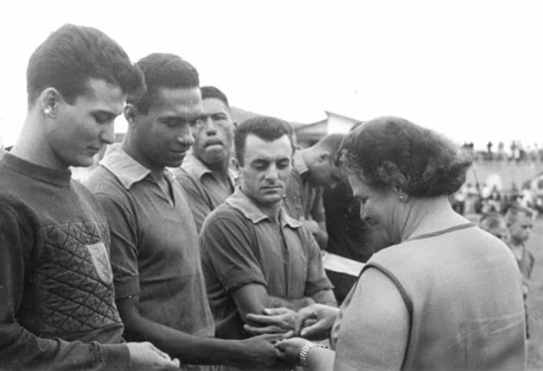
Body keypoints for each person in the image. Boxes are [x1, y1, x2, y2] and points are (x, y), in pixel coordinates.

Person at [256, 116, 526, 370]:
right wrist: (346, 320)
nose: (363, 214)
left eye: (365, 199)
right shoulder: (498, 251)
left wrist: (306, 351)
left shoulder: (391, 270)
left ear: (398, 184)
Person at [0, 24, 180, 370]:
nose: (111, 136)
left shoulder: (85, 195)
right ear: (51, 102)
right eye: (101, 117)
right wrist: (121, 358)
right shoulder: (7, 203)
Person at [85, 53, 282, 370]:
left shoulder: (168, 177)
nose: (188, 137)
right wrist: (234, 352)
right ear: (132, 115)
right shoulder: (110, 195)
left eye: (195, 121)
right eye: (173, 122)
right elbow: (128, 322)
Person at [199, 116, 337, 369]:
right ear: (237, 165)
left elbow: (329, 306)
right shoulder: (227, 221)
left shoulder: (299, 229)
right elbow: (258, 312)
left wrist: (310, 311)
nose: (273, 175)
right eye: (261, 165)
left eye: (282, 164)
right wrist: (308, 306)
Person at [172, 86, 237, 231]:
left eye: (219, 118)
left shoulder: (236, 178)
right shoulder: (183, 180)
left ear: (234, 128)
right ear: (190, 130)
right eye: (200, 121)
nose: (211, 129)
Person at [284, 133, 345, 249]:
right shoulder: (290, 171)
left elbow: (323, 238)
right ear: (323, 157)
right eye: (334, 177)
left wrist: (314, 229)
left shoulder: (315, 180)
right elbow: (295, 236)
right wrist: (313, 229)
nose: (332, 186)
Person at [505, 204, 535, 339]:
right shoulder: (499, 251)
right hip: (501, 313)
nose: (528, 231)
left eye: (530, 227)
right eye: (524, 227)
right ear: (509, 225)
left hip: (521, 311)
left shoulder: (529, 256)